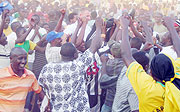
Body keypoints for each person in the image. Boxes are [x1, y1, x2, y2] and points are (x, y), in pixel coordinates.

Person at [38, 17, 103, 112]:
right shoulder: (78, 66)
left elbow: (40, 86)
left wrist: (46, 101)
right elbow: (95, 45)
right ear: (75, 55)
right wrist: (98, 28)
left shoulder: (47, 68)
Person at [120, 16, 180, 112]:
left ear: (151, 72)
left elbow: (126, 56)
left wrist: (124, 28)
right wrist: (171, 28)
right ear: (173, 67)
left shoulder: (147, 86)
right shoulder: (177, 77)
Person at [0, 47, 44, 112]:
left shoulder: (30, 76)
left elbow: (39, 91)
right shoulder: (1, 75)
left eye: (25, 58)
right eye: (20, 58)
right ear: (11, 59)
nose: (23, 61)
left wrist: (46, 104)